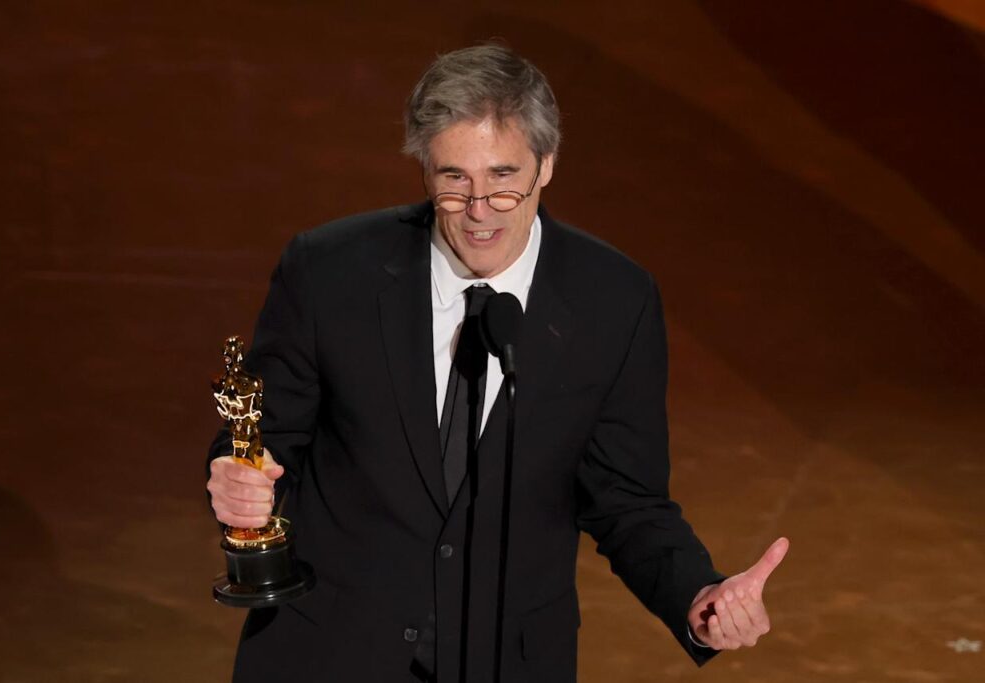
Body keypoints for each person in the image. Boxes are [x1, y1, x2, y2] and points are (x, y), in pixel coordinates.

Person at [206, 44, 789, 683]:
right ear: (425, 169)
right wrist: (237, 479)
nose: (479, 210)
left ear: (547, 165)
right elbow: (262, 440)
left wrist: (696, 596)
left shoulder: (613, 301)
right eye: (454, 179)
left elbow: (626, 498)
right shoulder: (329, 272)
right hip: (330, 653)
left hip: (507, 662)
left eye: (503, 179)